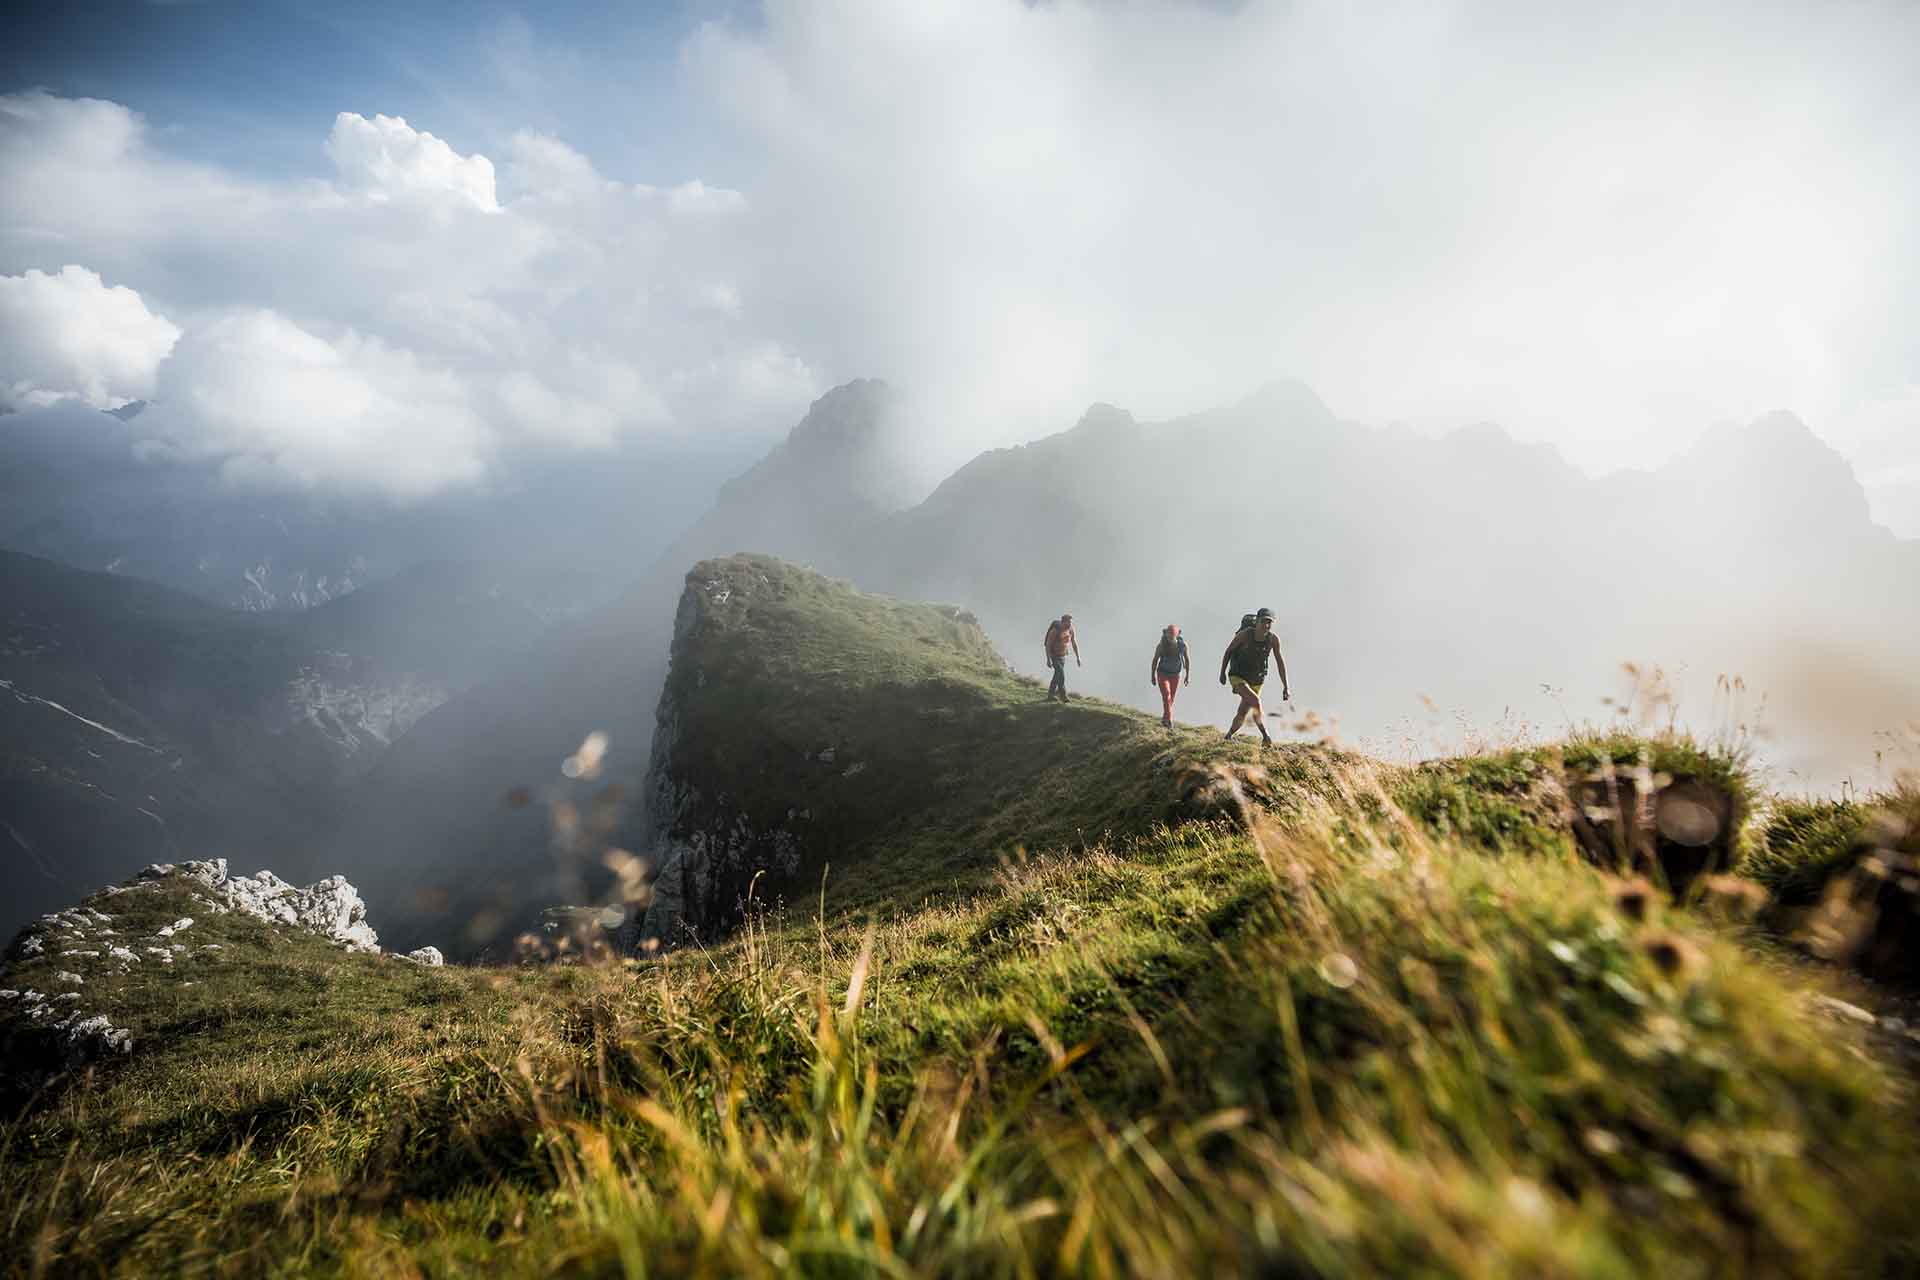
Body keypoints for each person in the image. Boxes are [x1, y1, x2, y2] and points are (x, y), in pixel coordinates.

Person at [1219, 607, 1289, 745]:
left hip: (1257, 679)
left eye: (1269, 622)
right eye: (1264, 621)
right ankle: (1266, 736)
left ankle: (1228, 736)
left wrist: (1286, 687)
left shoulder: (1273, 640)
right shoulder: (1245, 635)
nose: (1267, 625)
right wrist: (1222, 673)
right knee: (1256, 702)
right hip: (1238, 675)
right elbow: (1228, 652)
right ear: (1257, 621)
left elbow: (1280, 662)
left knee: (1243, 712)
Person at [1149, 624, 1189, 726]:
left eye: (1172, 637)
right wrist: (1153, 676)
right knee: (1166, 695)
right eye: (1169, 637)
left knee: (1170, 699)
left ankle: (1164, 719)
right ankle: (1169, 720)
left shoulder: (1182, 646)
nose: (1170, 639)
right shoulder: (1161, 646)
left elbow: (1187, 660)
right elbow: (1155, 660)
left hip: (1175, 675)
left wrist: (1187, 676)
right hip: (1163, 674)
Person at [1043, 613, 1080, 701]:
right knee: (1061, 675)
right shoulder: (1055, 630)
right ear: (1063, 622)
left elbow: (1074, 642)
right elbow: (1048, 645)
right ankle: (1063, 696)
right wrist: (1048, 659)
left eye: (1071, 623)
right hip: (1054, 655)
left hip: (1063, 655)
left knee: (1057, 675)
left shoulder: (1070, 629)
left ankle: (1050, 695)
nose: (1070, 625)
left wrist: (1078, 657)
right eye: (1068, 623)